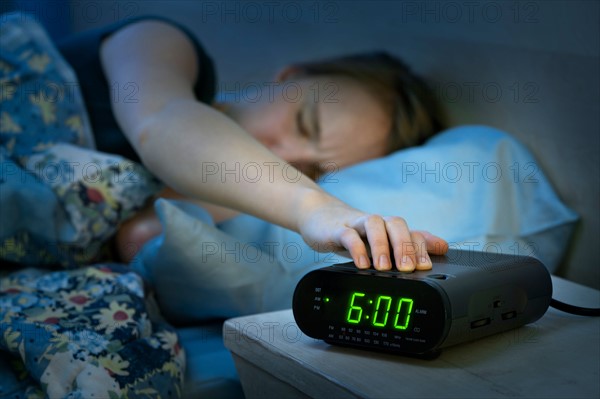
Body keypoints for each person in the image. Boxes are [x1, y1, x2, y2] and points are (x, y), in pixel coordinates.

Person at [57, 16, 449, 272]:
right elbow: (159, 121)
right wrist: (314, 206)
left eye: (312, 172)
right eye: (304, 123)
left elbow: (135, 237)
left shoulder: (242, 203)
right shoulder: (162, 41)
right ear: (291, 76)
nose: (286, 156)